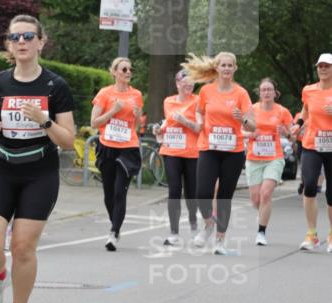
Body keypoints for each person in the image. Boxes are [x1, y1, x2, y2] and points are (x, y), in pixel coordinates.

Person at [0, 15, 75, 303]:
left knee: (22, 247)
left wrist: (44, 121)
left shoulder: (55, 86)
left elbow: (69, 140)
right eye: (14, 37)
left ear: (41, 42)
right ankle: (0, 277)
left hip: (39, 174)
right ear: (8, 44)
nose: (21, 42)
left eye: (28, 36)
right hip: (1, 168)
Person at [182, 52, 255, 256]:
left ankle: (220, 241)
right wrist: (200, 122)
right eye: (223, 65)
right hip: (209, 148)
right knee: (202, 192)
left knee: (224, 196)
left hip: (233, 151)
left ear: (235, 68)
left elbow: (252, 126)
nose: (226, 68)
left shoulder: (241, 94)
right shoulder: (206, 91)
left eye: (230, 65)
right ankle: (208, 224)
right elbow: (199, 111)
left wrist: (242, 120)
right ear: (217, 68)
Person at [91, 57, 143, 251]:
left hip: (128, 147)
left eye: (130, 69)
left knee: (120, 190)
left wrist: (137, 115)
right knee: (109, 193)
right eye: (124, 69)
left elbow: (136, 126)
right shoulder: (105, 94)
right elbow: (94, 122)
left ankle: (113, 232)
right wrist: (113, 111)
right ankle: (116, 224)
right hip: (107, 146)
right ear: (114, 72)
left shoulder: (136, 95)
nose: (128, 72)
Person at [154, 69, 201, 247]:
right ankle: (174, 232)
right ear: (177, 83)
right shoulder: (168, 101)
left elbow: (198, 128)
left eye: (191, 82)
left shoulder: (198, 101)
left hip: (192, 152)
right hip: (171, 150)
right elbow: (167, 123)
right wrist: (159, 130)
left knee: (191, 192)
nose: (188, 85)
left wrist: (184, 121)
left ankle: (194, 225)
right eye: (185, 82)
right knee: (174, 190)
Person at [245, 78, 293, 246]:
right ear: (259, 93)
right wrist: (250, 135)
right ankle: (262, 213)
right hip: (253, 158)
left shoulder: (282, 112)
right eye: (263, 90)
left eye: (269, 89)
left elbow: (293, 137)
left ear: (275, 92)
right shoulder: (251, 109)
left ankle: (261, 232)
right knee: (255, 200)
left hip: (274, 158)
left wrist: (286, 132)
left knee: (266, 194)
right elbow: (240, 131)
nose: (266, 92)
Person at [295, 53, 332, 252]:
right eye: (320, 66)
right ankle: (312, 234)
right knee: (309, 185)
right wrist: (298, 124)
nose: (323, 69)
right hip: (312, 144)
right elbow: (306, 110)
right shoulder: (308, 90)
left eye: (327, 66)